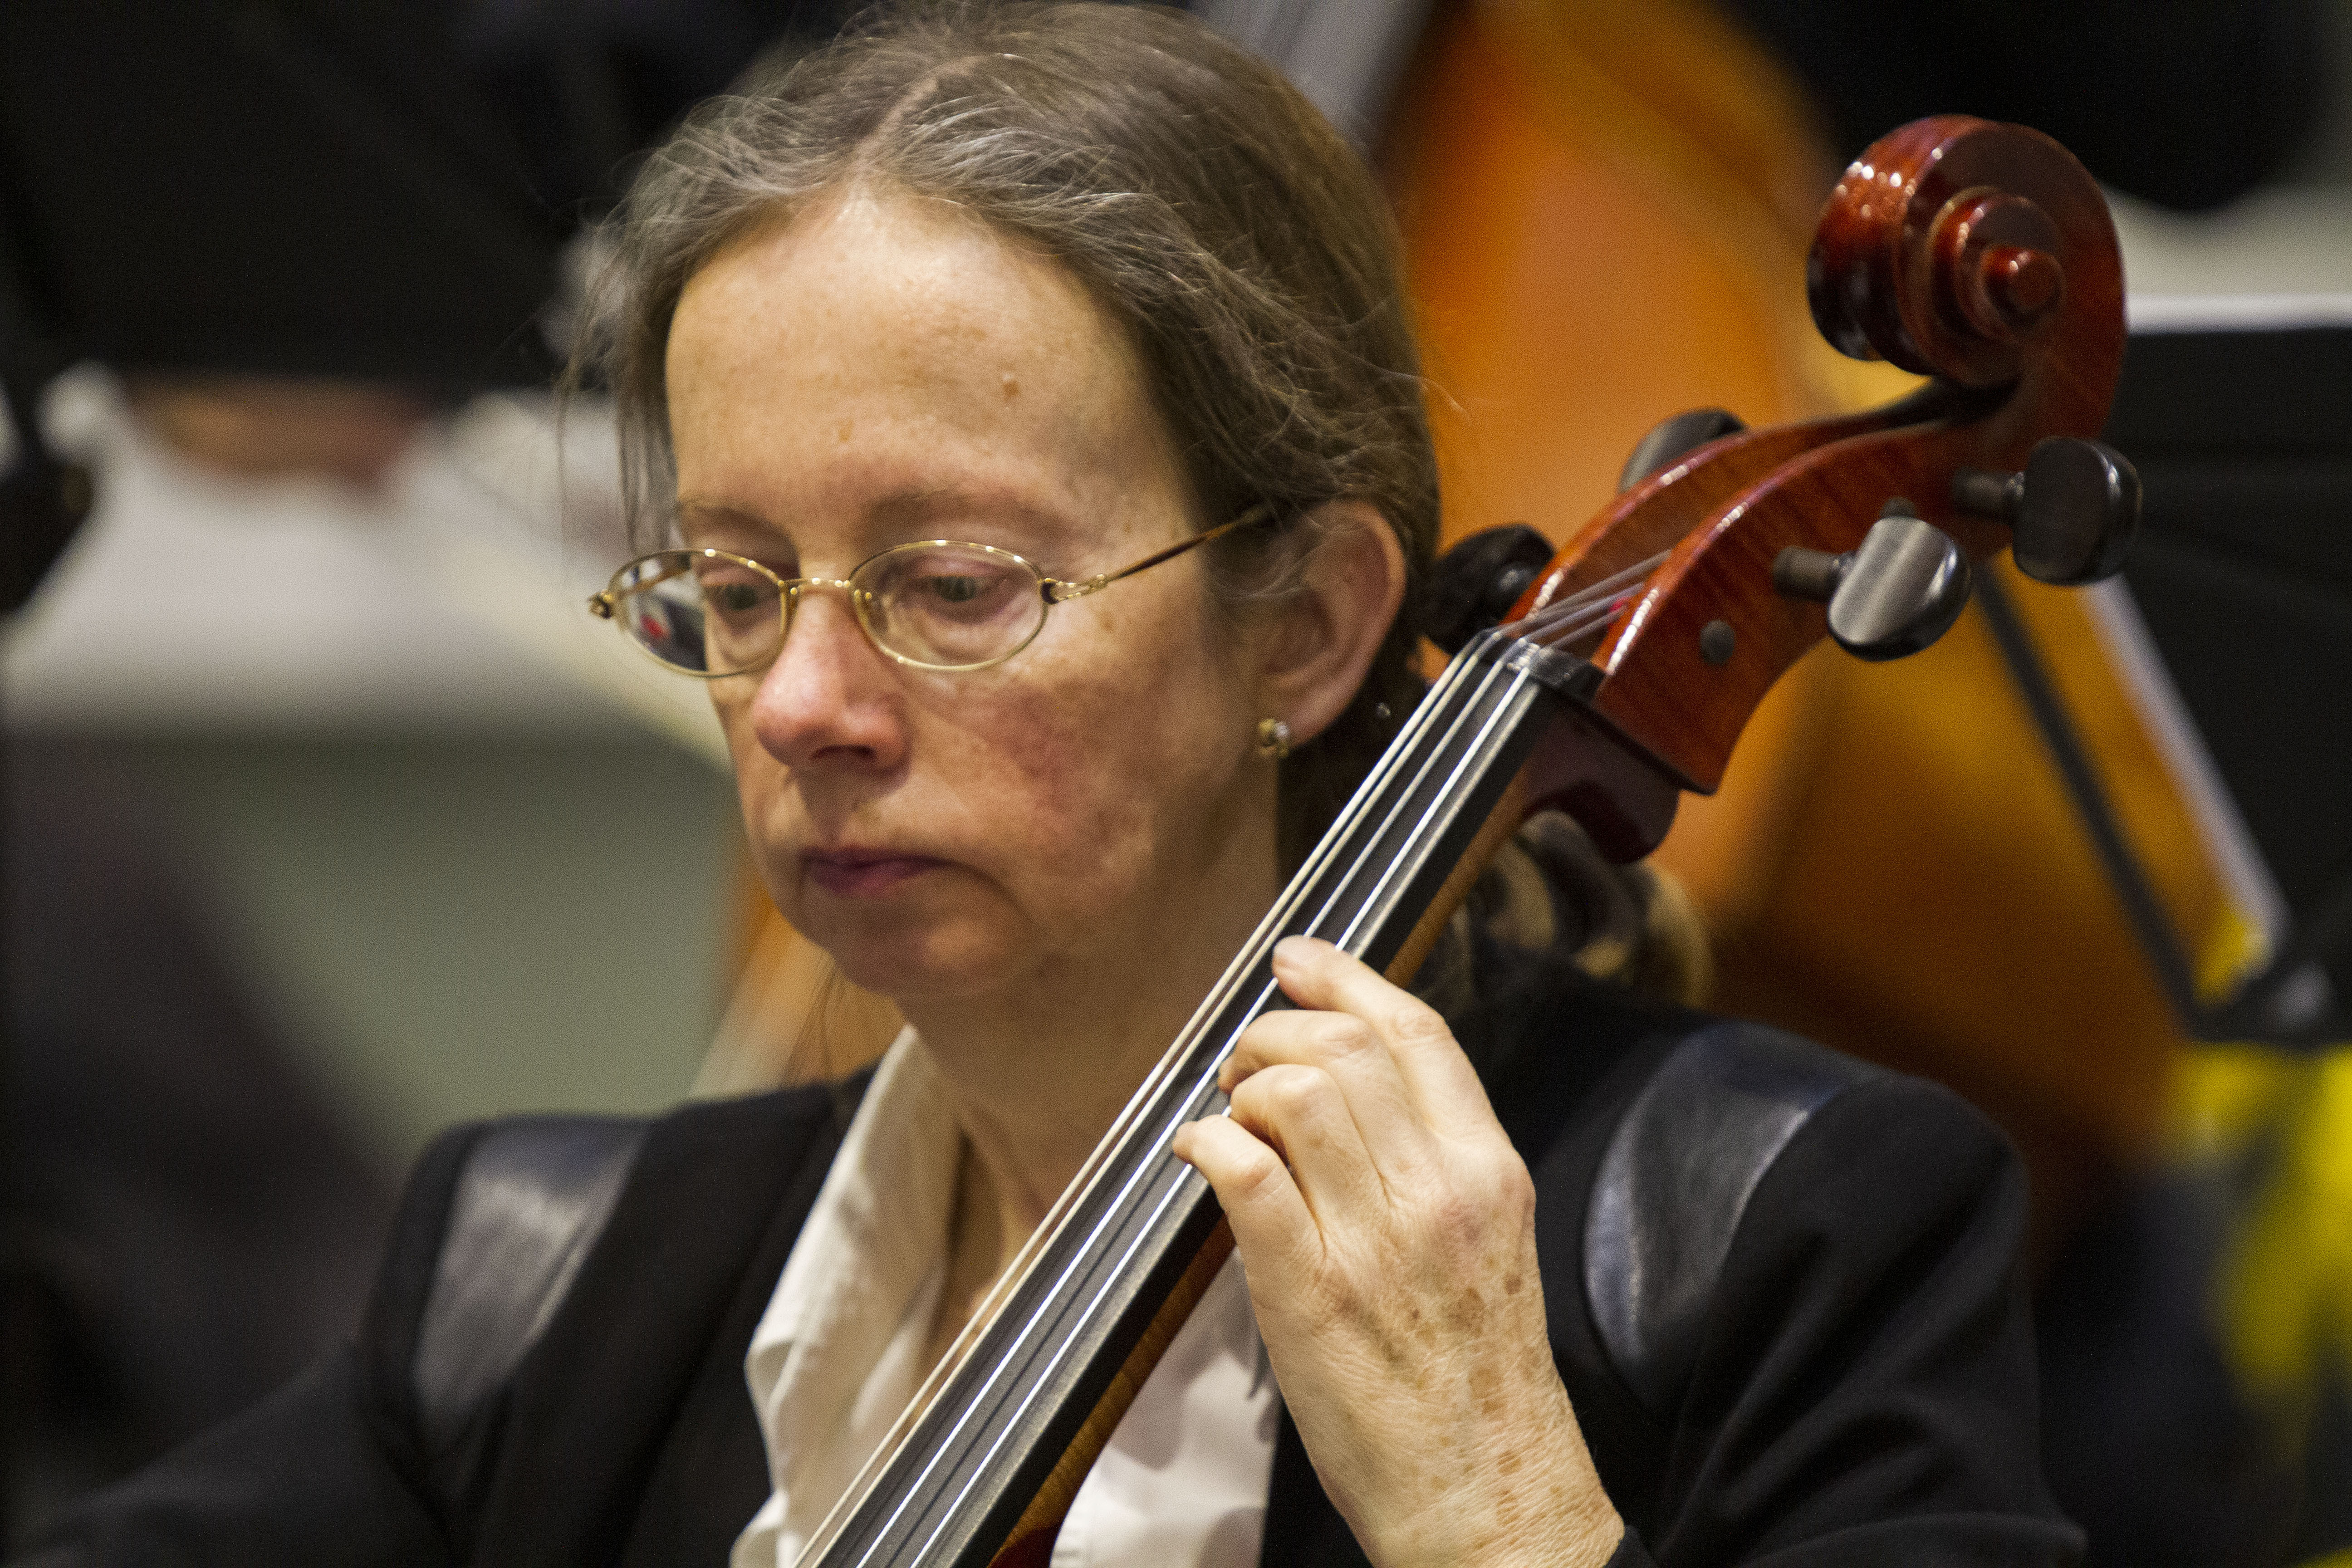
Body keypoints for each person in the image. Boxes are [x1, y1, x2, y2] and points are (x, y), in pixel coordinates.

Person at [18, 5, 2080, 1565]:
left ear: (1307, 625)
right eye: (733, 590)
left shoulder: (1779, 1244)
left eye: (954, 588)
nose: (802, 702)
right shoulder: (542, 1286)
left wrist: (1499, 1509)